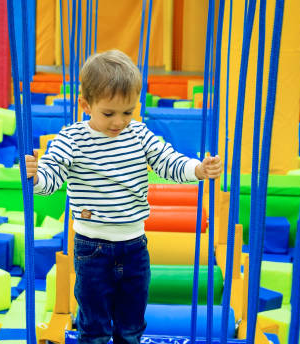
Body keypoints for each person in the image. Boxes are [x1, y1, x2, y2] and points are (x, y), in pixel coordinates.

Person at [24, 50, 222, 344]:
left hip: (134, 247)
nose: (119, 122)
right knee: (94, 327)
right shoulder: (71, 138)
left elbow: (169, 162)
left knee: (131, 327)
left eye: (128, 112)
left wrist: (198, 169)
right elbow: (50, 179)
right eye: (109, 113)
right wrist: (35, 176)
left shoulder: (139, 134)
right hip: (92, 250)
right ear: (86, 105)